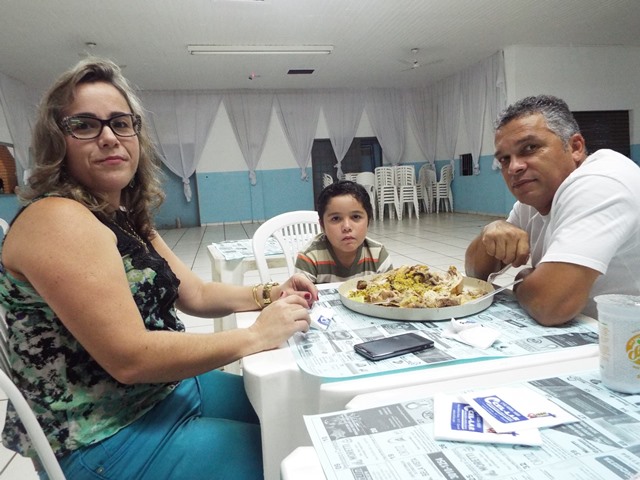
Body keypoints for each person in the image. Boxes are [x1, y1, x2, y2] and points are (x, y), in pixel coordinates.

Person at [0, 57, 318, 480]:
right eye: (85, 125)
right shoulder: (57, 218)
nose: (109, 137)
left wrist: (268, 293)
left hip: (161, 393)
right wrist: (256, 335)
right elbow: (130, 358)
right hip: (104, 437)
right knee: (289, 455)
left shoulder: (122, 216)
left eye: (120, 123)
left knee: (297, 409)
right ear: (56, 141)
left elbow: (196, 294)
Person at [465, 94, 640, 327]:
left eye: (530, 148)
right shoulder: (535, 198)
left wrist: (521, 279)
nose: (514, 167)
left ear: (575, 147)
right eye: (505, 159)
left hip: (627, 341)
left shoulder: (602, 182)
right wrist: (491, 230)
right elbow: (473, 273)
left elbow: (550, 306)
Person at [295, 180, 393, 283]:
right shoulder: (310, 258)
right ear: (322, 225)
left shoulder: (378, 254)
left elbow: (391, 290)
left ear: (368, 220)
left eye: (356, 217)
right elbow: (299, 292)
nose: (347, 227)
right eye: (336, 218)